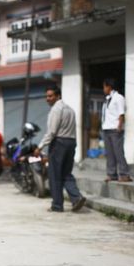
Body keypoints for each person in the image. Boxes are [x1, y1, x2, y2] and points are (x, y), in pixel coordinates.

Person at [35, 85, 86, 213]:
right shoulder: (70, 110)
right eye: (46, 96)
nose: (48, 99)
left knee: (54, 175)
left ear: (58, 96)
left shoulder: (56, 110)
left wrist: (40, 146)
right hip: (71, 142)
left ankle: (57, 205)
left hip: (59, 144)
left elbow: (51, 132)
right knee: (66, 174)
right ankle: (76, 197)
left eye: (50, 96)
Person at [102, 78, 132, 182]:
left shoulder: (119, 98)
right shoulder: (107, 99)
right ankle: (112, 174)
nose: (103, 89)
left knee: (118, 152)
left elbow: (121, 113)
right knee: (109, 153)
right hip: (107, 128)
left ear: (109, 87)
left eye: (104, 86)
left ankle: (124, 174)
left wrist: (119, 126)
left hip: (115, 129)